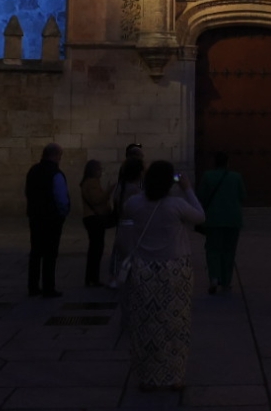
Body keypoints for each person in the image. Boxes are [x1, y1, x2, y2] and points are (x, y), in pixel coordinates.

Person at [122, 160, 205, 392]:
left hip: (144, 270)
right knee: (175, 325)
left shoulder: (134, 203)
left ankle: (147, 377)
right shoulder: (176, 205)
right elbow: (200, 216)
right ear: (171, 181)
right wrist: (187, 188)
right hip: (175, 271)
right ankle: (173, 377)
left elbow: (127, 208)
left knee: (145, 325)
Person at [24, 143, 69, 298]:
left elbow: (28, 192)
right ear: (55, 156)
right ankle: (48, 287)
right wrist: (63, 213)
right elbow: (61, 198)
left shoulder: (33, 171)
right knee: (50, 253)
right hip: (51, 218)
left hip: (35, 217)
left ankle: (33, 286)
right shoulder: (55, 173)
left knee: (36, 251)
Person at [197, 152, 245, 294]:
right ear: (227, 162)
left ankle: (214, 278)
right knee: (229, 251)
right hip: (233, 219)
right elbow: (242, 196)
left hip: (213, 219)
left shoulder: (207, 176)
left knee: (212, 250)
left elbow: (201, 197)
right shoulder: (236, 177)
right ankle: (226, 282)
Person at [108, 152, 146, 289]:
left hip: (122, 226)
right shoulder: (135, 191)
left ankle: (116, 278)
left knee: (120, 255)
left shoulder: (120, 187)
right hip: (132, 228)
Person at [81, 159, 112, 287]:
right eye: (99, 169)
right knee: (96, 249)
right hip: (93, 218)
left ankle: (91, 277)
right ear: (93, 170)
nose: (101, 172)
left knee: (95, 249)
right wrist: (109, 191)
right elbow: (96, 199)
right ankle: (93, 278)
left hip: (91, 218)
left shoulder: (89, 182)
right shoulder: (92, 183)